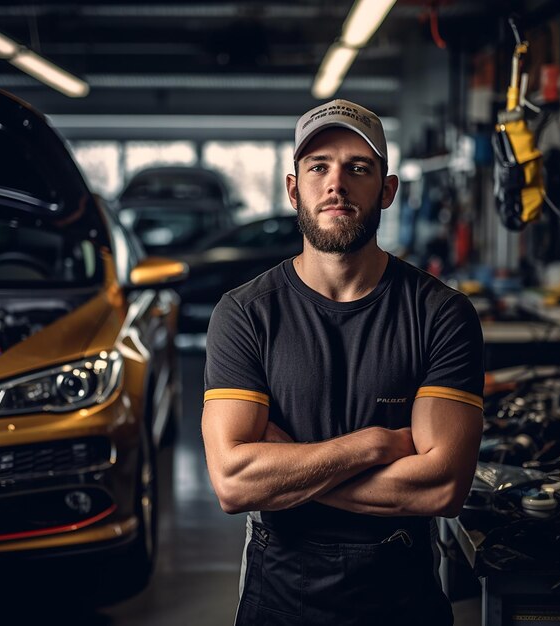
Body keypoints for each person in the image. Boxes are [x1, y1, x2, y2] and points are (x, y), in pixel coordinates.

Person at [201, 98, 484, 626]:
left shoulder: (441, 313)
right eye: (318, 167)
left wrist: (286, 473)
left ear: (387, 189)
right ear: (294, 189)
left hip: (402, 599)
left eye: (358, 167)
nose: (337, 184)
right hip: (280, 598)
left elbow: (442, 486)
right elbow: (235, 482)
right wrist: (372, 445)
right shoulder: (246, 314)